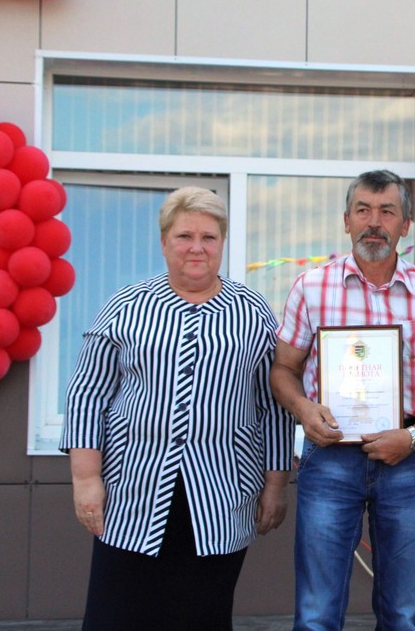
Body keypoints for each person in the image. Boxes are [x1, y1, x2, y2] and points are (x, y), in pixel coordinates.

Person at [60, 187, 294, 630]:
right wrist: (86, 479)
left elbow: (275, 403)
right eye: (185, 236)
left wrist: (276, 484)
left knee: (201, 616)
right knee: (116, 617)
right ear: (164, 242)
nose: (196, 247)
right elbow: (88, 393)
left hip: (221, 495)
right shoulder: (125, 306)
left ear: (222, 243)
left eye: (209, 237)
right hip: (132, 494)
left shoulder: (254, 312)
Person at [270, 169, 415, 630]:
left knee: (403, 614)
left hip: (408, 458)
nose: (374, 222)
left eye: (387, 211)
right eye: (363, 210)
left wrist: (413, 438)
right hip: (329, 454)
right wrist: (303, 409)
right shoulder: (311, 287)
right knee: (316, 612)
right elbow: (283, 370)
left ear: (406, 225)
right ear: (346, 221)